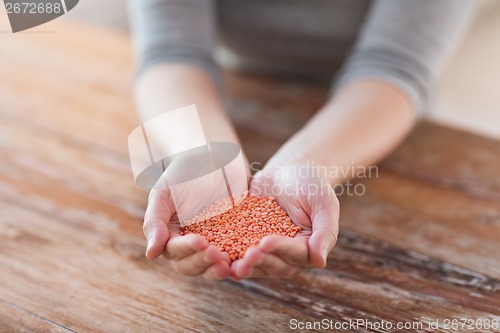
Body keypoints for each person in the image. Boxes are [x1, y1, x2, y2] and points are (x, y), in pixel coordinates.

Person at [127, 0, 476, 280]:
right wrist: (203, 151)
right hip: (232, 94)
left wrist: (307, 164)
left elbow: (396, 66)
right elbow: (171, 52)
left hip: (375, 115)